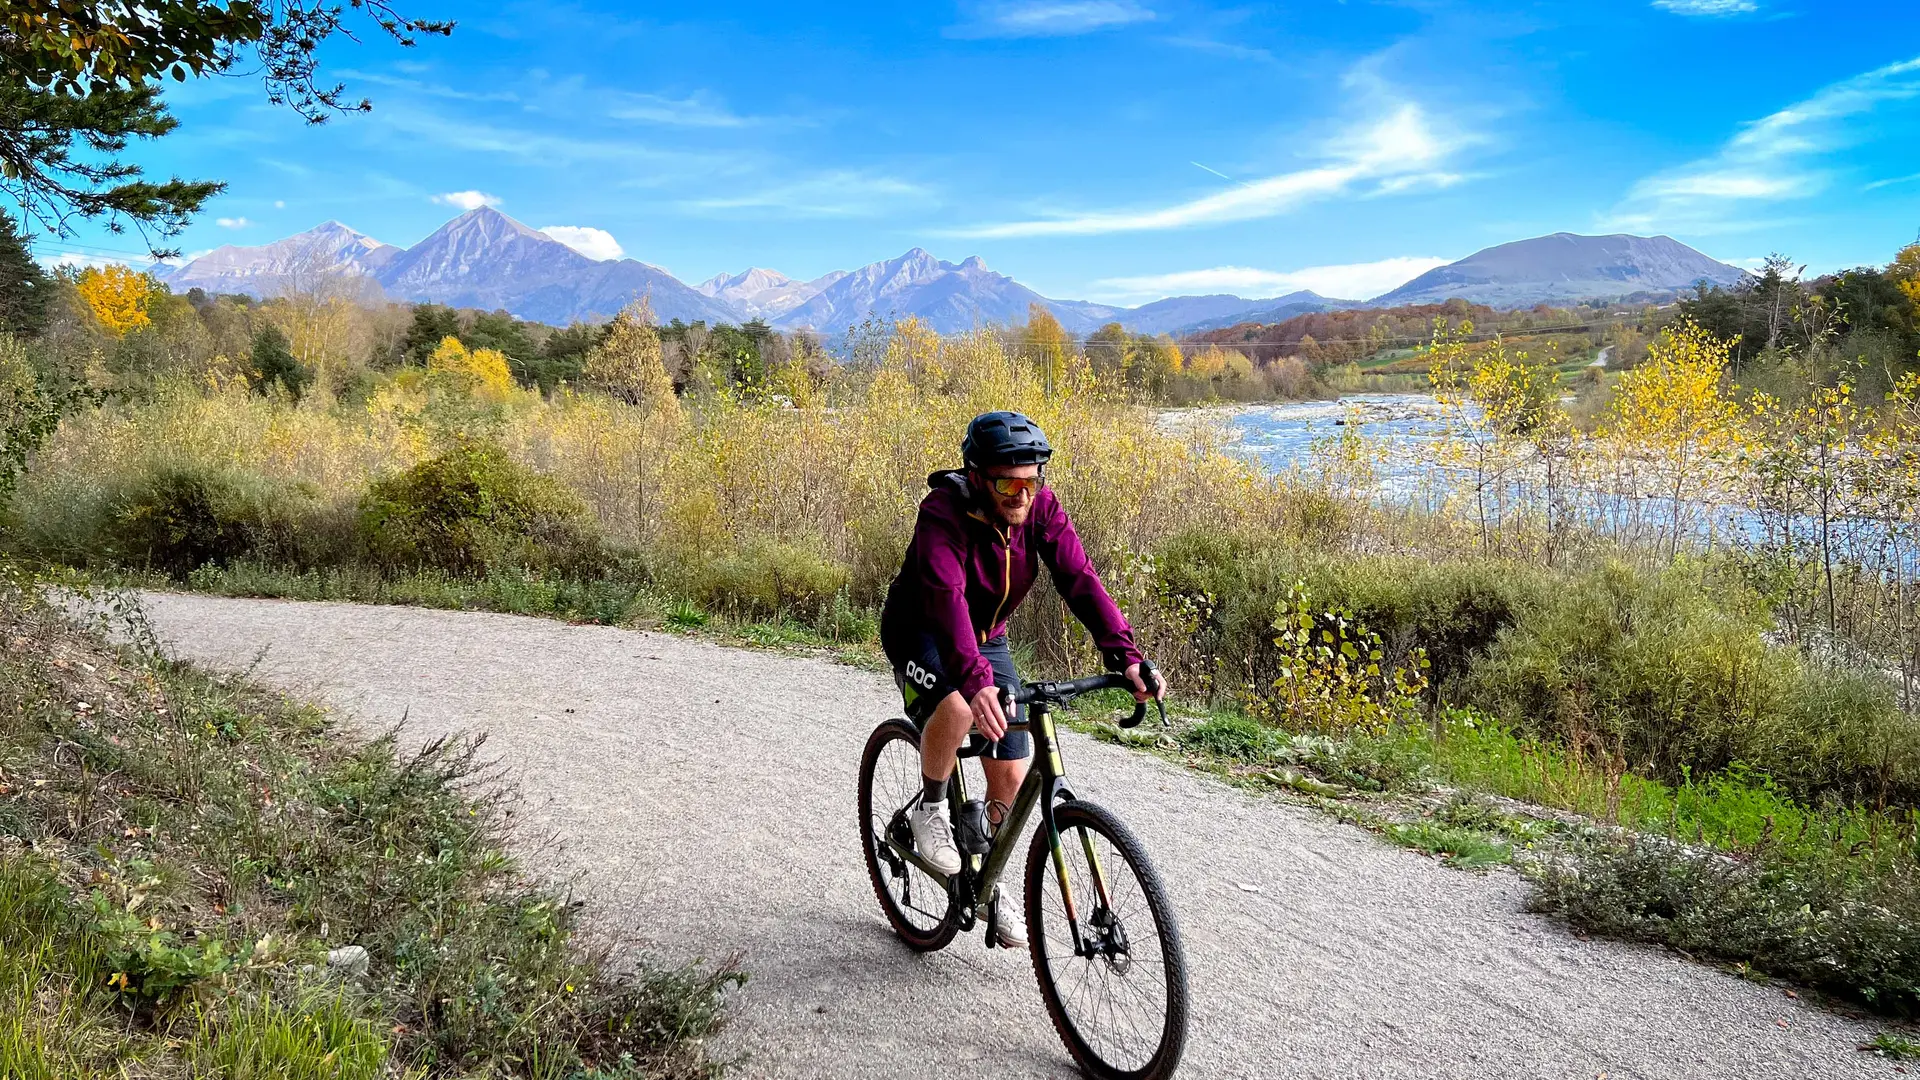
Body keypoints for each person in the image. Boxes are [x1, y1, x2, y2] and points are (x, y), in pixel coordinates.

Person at [880, 411, 1165, 946]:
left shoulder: (1041, 510)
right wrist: (974, 679)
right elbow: (946, 599)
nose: (1022, 492)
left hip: (986, 634)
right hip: (921, 630)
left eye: (1033, 479)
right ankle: (932, 809)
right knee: (962, 706)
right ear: (978, 475)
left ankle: (984, 875)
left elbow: (1079, 579)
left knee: (1010, 767)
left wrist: (1125, 657)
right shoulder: (943, 513)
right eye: (1008, 481)